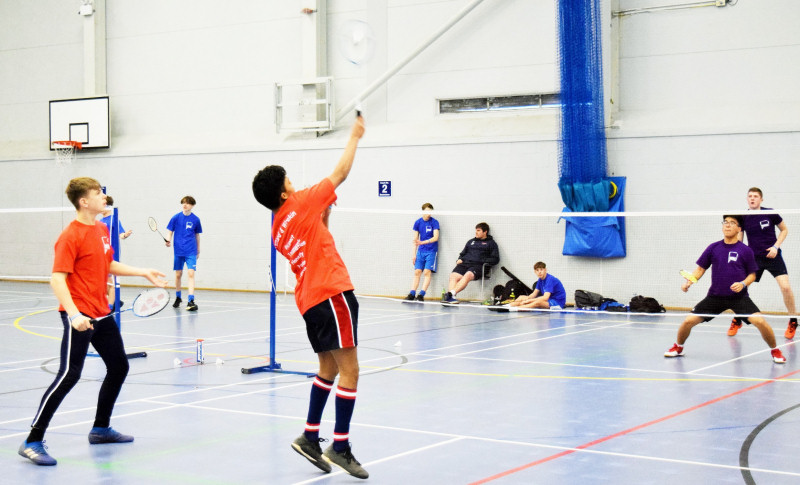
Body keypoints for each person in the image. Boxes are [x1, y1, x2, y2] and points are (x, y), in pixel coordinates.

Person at [18, 177, 167, 466]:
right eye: (98, 194)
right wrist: (74, 315)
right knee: (69, 374)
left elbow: (107, 264)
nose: (104, 197)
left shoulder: (101, 229)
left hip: (101, 312)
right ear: (84, 201)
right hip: (80, 314)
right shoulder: (69, 236)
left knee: (119, 366)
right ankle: (32, 440)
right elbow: (57, 279)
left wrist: (142, 271)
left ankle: (100, 429)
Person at [251, 116, 368, 479]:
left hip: (310, 301)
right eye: (288, 180)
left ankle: (310, 437)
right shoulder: (301, 202)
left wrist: (324, 216)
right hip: (331, 292)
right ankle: (340, 446)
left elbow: (316, 239)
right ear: (284, 194)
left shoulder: (277, 229)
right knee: (350, 371)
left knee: (327, 369)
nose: (293, 183)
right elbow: (341, 173)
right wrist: (355, 136)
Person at [665, 215, 786, 364]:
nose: (727, 225)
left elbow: (752, 275)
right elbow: (700, 269)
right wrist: (689, 282)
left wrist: (743, 284)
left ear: (739, 229)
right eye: (725, 222)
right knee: (688, 321)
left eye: (732, 223)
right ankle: (678, 347)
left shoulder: (746, 250)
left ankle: (775, 350)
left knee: (760, 322)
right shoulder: (713, 247)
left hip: (739, 298)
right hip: (715, 297)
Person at [727, 187, 798, 339]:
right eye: (750, 196)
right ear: (747, 199)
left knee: (786, 287)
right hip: (754, 258)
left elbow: (784, 230)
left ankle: (793, 320)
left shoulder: (770, 212)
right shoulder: (743, 217)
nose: (752, 198)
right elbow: (740, 239)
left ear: (761, 199)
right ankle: (738, 319)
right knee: (741, 288)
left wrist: (775, 247)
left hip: (773, 256)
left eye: (755, 196)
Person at [442, 222, 499, 304]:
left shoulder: (491, 243)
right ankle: (451, 298)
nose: (476, 232)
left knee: (468, 275)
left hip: (478, 266)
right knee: (453, 276)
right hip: (465, 264)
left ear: (485, 232)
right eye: (476, 230)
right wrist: (459, 259)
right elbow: (462, 254)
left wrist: (482, 260)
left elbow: (495, 259)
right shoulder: (471, 242)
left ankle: (450, 294)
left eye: (478, 230)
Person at [166, 196, 202, 311]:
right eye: (183, 203)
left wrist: (198, 249)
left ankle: (191, 300)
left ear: (192, 205)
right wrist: (168, 240)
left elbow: (197, 235)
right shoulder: (176, 217)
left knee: (191, 274)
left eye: (187, 203)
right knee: (178, 274)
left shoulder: (196, 219)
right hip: (178, 251)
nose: (185, 205)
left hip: (191, 250)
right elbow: (170, 231)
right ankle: (178, 297)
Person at [100, 195, 132, 310]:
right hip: (101, 255)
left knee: (110, 282)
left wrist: (125, 235)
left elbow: (121, 234)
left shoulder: (114, 219)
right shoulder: (100, 221)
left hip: (112, 255)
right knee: (104, 283)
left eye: (102, 204)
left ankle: (110, 307)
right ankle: (115, 301)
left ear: (107, 206)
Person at [404, 203, 439, 302]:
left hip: (431, 251)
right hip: (420, 251)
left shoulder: (435, 222)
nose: (429, 214)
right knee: (417, 272)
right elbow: (415, 240)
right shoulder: (418, 222)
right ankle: (412, 294)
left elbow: (436, 237)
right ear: (422, 211)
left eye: (431, 212)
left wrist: (423, 242)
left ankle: (421, 295)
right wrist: (413, 255)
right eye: (427, 211)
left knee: (427, 272)